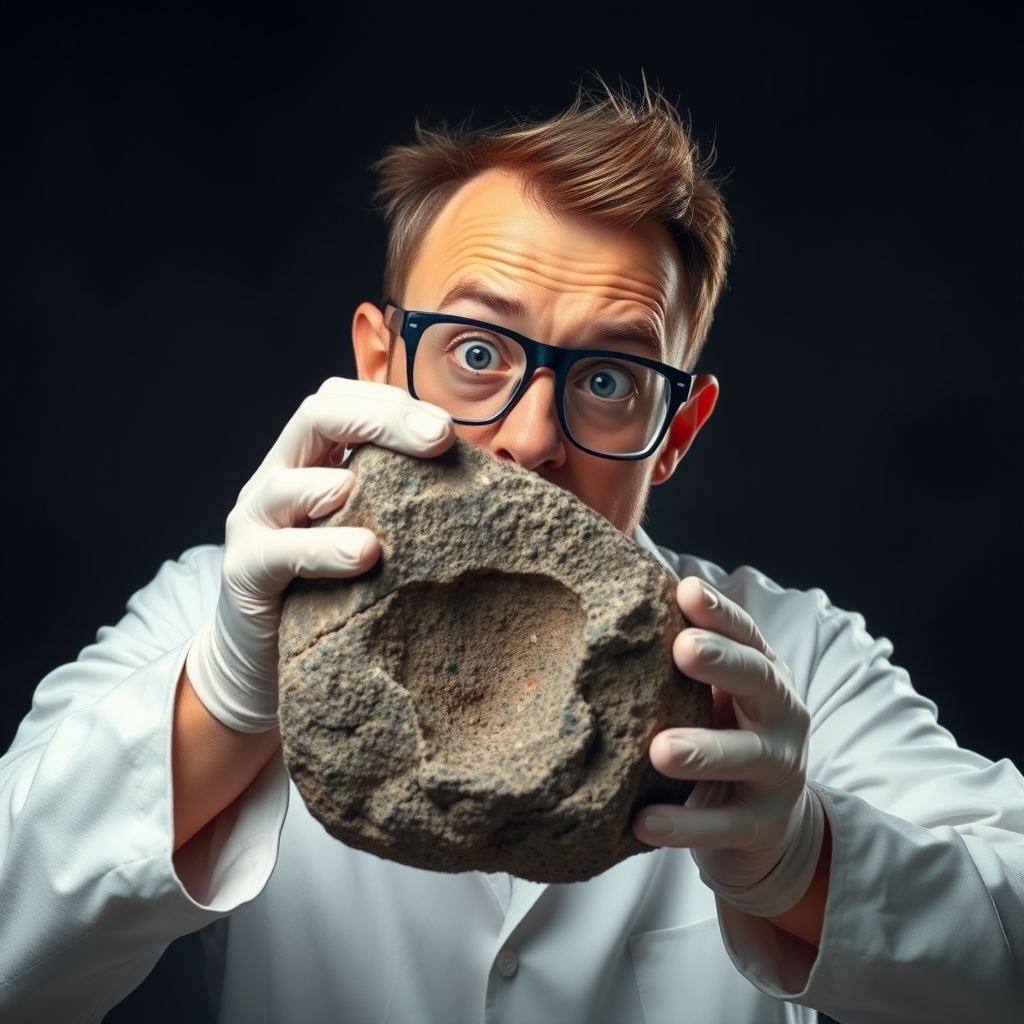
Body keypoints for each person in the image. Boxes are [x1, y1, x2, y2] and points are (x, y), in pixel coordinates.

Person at [1, 85, 1021, 1024]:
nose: (532, 436)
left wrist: (806, 858)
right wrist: (219, 699)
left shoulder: (798, 657)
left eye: (611, 379)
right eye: (478, 353)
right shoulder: (215, 611)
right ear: (376, 359)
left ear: (678, 429)